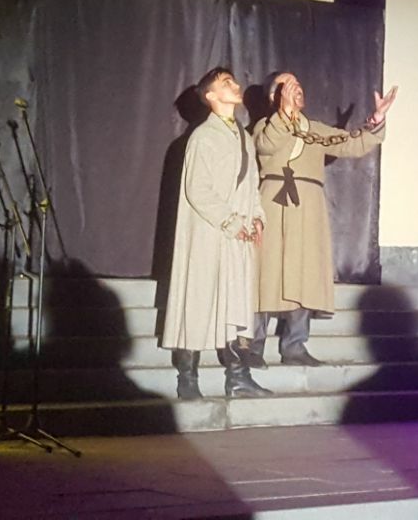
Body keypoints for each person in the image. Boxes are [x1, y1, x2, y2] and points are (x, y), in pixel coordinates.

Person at [245, 72, 397, 367]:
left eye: (299, 85)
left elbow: (350, 144)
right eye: (288, 86)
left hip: (308, 208)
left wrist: (376, 119)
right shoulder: (264, 126)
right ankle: (253, 346)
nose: (297, 89)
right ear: (274, 96)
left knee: (306, 272)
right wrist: (284, 114)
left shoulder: (314, 129)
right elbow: (266, 146)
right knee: (266, 271)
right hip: (273, 203)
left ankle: (294, 346)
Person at [160, 67, 271, 399]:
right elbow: (197, 189)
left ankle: (238, 377)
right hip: (210, 234)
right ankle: (187, 379)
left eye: (234, 81)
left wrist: (257, 217)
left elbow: (251, 184)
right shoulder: (202, 137)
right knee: (197, 302)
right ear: (210, 96)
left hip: (237, 238)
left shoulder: (244, 137)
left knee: (236, 303)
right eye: (226, 83)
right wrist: (231, 222)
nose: (235, 86)